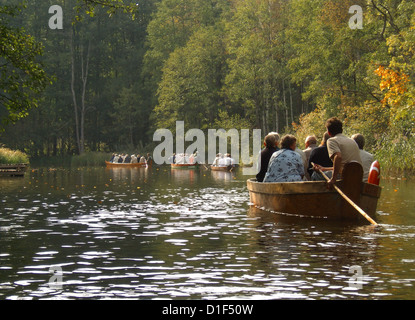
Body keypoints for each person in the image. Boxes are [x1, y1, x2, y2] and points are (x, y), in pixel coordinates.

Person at [314, 117, 362, 189]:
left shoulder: (332, 141)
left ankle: (323, 198)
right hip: (357, 176)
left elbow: (338, 157)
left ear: (329, 132)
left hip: (343, 176)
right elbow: (344, 165)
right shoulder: (352, 141)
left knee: (315, 175)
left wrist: (333, 179)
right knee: (323, 172)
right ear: (341, 130)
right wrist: (324, 169)